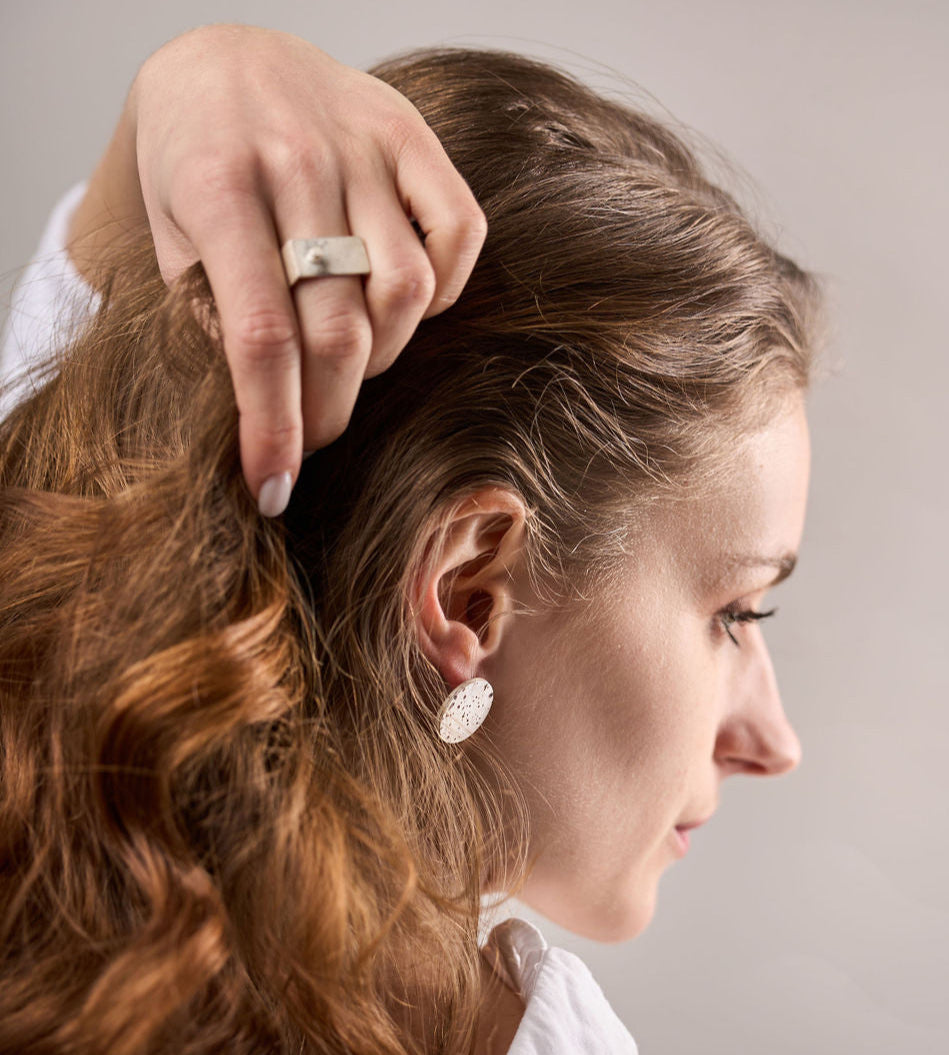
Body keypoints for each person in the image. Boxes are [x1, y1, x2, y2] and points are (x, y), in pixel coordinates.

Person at [0, 23, 820, 1055]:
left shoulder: (46, 609)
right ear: (472, 587)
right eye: (735, 613)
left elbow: (111, 322)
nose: (772, 740)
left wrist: (203, 68)